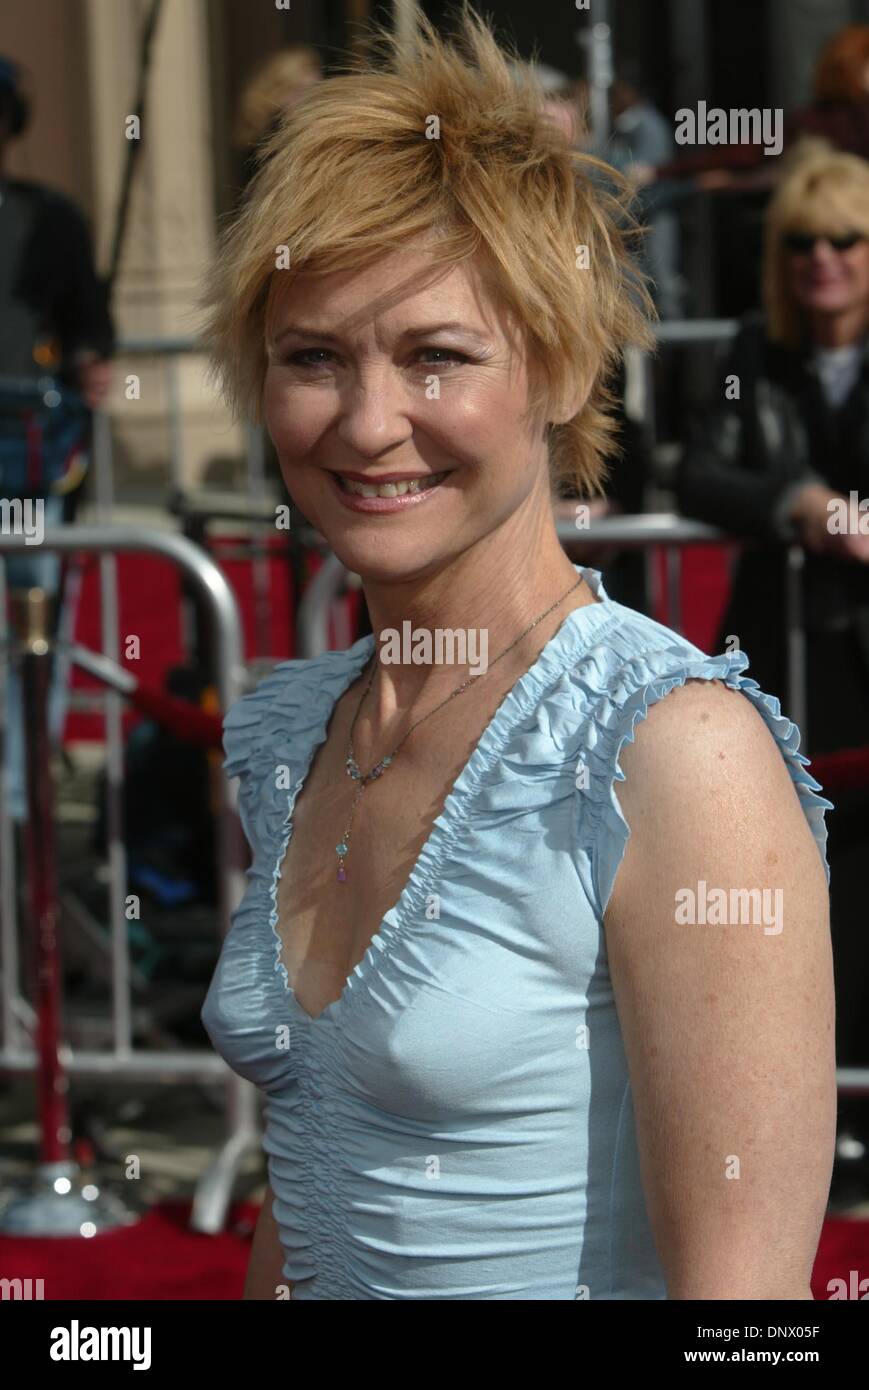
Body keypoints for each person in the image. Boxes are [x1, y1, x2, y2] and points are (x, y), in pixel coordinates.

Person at [199, 4, 834, 1300]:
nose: (370, 423)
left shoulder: (673, 754)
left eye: (437, 357)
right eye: (311, 358)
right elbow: (309, 1181)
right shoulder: (286, 731)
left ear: (557, 369)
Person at [677, 141, 869, 1199]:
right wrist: (797, 501)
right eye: (800, 241)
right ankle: (816, 1122)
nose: (822, 260)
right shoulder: (751, 347)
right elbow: (699, 470)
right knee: (796, 894)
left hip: (858, 650)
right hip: (791, 659)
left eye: (845, 238)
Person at [0, 55, 113, 822]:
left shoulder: (51, 219)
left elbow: (92, 330)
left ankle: (22, 796)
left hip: (27, 459)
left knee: (35, 630)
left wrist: (93, 366)